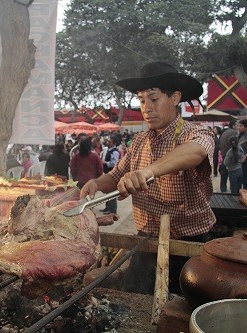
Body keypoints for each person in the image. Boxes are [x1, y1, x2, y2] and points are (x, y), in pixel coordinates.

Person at [80, 61, 215, 294]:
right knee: (135, 299)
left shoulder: (196, 132)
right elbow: (116, 176)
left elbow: (196, 151)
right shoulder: (140, 141)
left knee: (181, 309)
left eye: (154, 99)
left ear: (175, 98)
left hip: (188, 244)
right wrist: (96, 183)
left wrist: (147, 171)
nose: (146, 108)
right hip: (146, 241)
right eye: (142, 100)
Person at [101, 134, 121, 215]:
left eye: (110, 142)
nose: (108, 143)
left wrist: (105, 163)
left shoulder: (115, 152)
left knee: (111, 193)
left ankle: (112, 210)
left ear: (114, 143)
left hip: (112, 175)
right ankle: (107, 207)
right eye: (108, 141)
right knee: (107, 191)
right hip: (107, 173)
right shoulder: (109, 150)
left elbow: (114, 163)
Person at [218, 120, 237, 192]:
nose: (238, 127)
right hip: (231, 155)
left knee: (224, 173)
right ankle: (233, 189)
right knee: (232, 173)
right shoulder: (234, 133)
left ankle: (223, 188)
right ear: (233, 126)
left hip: (223, 155)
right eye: (237, 125)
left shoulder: (224, 133)